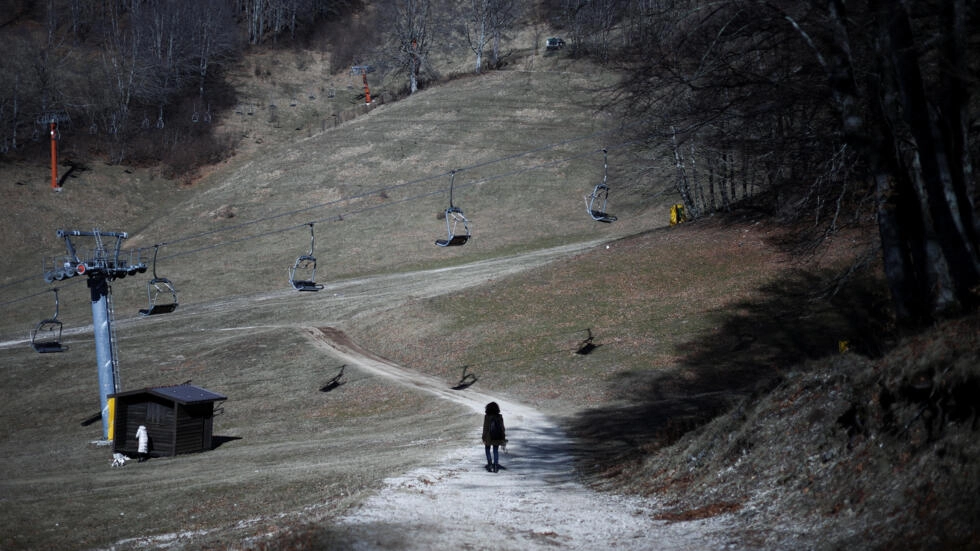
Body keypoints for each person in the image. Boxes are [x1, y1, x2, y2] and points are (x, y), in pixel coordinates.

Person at [482, 402, 506, 473]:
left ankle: (489, 465)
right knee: (495, 450)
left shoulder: (487, 416)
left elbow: (485, 428)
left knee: (487, 449)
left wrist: (483, 437)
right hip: (497, 436)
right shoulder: (499, 416)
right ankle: (495, 466)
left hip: (488, 437)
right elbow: (502, 428)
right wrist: (503, 437)